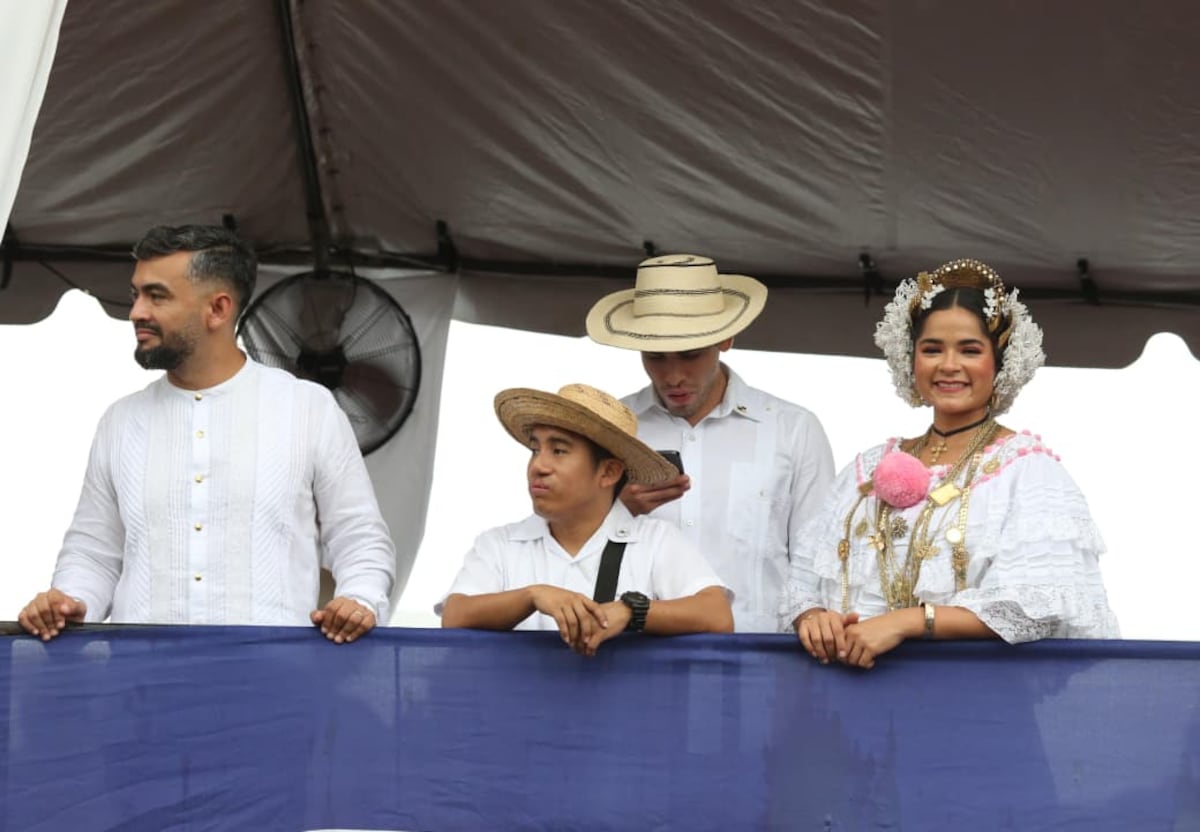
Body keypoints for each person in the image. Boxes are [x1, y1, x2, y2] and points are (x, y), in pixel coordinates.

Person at [18, 224, 395, 644]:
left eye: (156, 296)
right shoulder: (121, 421)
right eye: (136, 294)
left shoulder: (309, 409)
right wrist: (68, 599)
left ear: (218, 309)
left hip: (273, 683)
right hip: (143, 685)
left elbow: (359, 535)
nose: (137, 312)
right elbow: (94, 554)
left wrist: (359, 600)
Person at [783, 258, 1120, 668]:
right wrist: (814, 618)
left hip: (971, 700)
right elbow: (801, 584)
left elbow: (1036, 604)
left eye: (970, 350)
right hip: (855, 699)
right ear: (910, 359)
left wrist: (908, 622)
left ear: (1000, 363)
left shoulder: (1025, 469)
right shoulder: (867, 468)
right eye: (932, 349)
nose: (948, 365)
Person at [586, 254, 835, 632]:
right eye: (655, 357)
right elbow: (561, 551)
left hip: (759, 659)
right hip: (632, 660)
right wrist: (617, 511)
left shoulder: (793, 429)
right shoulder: (610, 429)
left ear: (726, 339)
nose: (673, 375)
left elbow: (817, 562)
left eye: (690, 355)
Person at [438, 383, 733, 655]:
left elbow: (717, 614)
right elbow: (455, 614)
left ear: (609, 472)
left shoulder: (655, 541)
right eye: (535, 449)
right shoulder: (499, 544)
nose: (539, 465)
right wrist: (533, 596)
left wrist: (632, 611)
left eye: (559, 451)